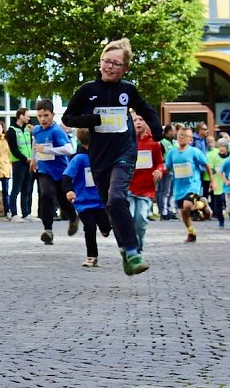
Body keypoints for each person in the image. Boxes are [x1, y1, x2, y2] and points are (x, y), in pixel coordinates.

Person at [61, 38, 161, 275]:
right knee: (111, 205)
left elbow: (146, 109)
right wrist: (90, 120)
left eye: (116, 64)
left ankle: (133, 251)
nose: (109, 67)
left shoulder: (128, 90)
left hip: (124, 153)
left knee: (117, 199)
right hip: (99, 158)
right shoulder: (88, 91)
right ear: (100, 62)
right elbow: (68, 118)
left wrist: (156, 130)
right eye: (106, 61)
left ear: (125, 68)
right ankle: (126, 252)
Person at [63, 129, 112, 267]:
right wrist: (69, 190)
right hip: (83, 203)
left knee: (105, 226)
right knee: (89, 227)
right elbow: (67, 176)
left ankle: (105, 229)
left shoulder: (101, 157)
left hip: (100, 202)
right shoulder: (79, 159)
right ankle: (91, 256)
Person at [32, 99, 76, 245]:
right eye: (40, 116)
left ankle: (73, 218)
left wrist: (47, 150)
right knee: (45, 195)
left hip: (61, 171)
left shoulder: (57, 131)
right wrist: (34, 159)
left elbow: (69, 150)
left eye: (46, 115)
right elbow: (36, 144)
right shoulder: (37, 130)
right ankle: (48, 230)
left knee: (63, 201)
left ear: (53, 114)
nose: (43, 119)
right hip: (45, 170)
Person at [164, 127, 211, 244]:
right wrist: (159, 171)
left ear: (190, 139)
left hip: (193, 185)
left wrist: (212, 181)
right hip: (179, 187)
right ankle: (191, 233)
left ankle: (203, 204)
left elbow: (206, 165)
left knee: (187, 205)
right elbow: (167, 167)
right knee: (184, 212)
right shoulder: (172, 153)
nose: (181, 137)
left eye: (185, 135)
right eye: (180, 135)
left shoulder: (194, 151)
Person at [127, 112, 164, 253]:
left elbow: (160, 163)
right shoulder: (127, 142)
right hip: (129, 187)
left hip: (146, 189)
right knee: (129, 217)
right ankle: (131, 247)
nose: (138, 122)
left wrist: (160, 170)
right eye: (135, 120)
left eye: (141, 119)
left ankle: (139, 245)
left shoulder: (154, 143)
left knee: (141, 218)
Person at [7, 107, 34, 222]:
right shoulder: (12, 130)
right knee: (16, 189)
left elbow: (31, 145)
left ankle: (26, 213)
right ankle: (14, 214)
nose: (29, 118)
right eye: (27, 115)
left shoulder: (28, 130)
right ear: (21, 116)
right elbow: (14, 149)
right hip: (19, 163)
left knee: (27, 189)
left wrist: (31, 159)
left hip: (29, 162)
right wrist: (25, 159)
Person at [207, 138, 230, 228]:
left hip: (228, 184)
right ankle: (221, 221)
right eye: (220, 146)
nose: (222, 148)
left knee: (226, 201)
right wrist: (214, 172)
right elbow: (210, 169)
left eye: (224, 146)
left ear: (227, 147)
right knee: (217, 206)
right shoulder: (215, 157)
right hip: (217, 184)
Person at [157, 124, 178, 220]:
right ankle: (163, 211)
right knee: (164, 191)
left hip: (176, 170)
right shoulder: (162, 142)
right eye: (173, 130)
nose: (175, 133)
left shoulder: (175, 142)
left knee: (172, 192)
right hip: (166, 170)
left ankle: (170, 210)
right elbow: (160, 156)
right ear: (168, 131)